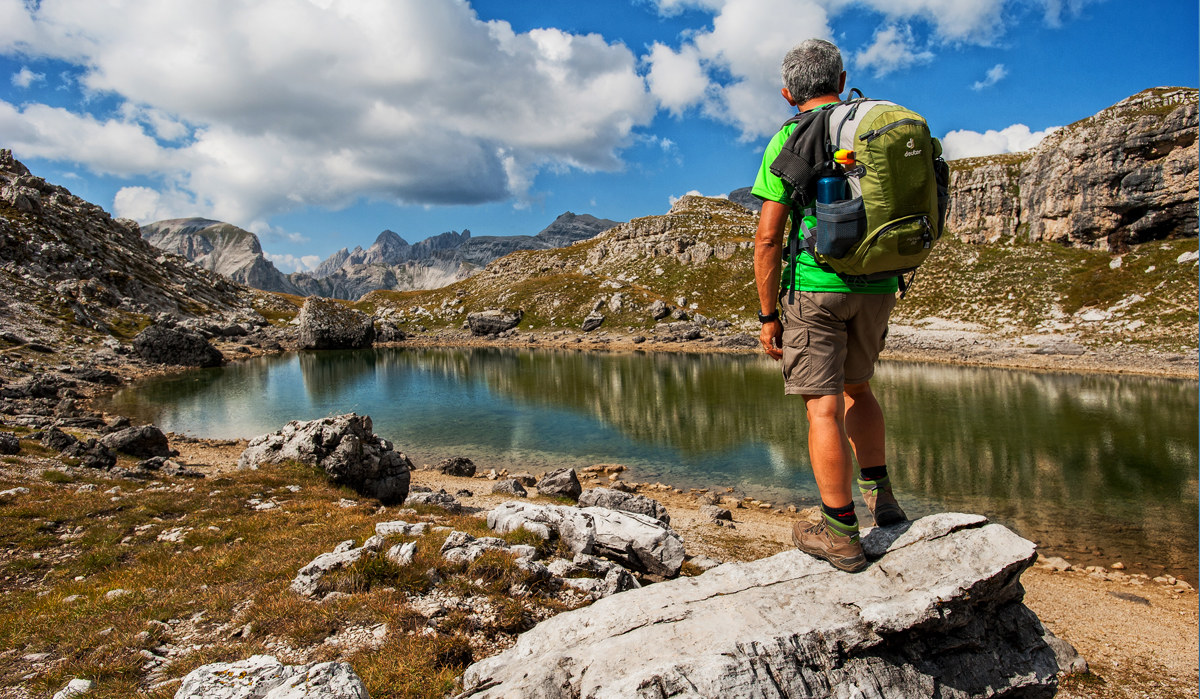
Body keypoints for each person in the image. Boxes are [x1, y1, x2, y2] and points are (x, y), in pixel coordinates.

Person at [751, 38, 906, 573]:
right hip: (879, 285)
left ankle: (839, 531)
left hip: (817, 287)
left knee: (822, 406)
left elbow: (769, 238)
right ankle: (882, 500)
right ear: (842, 82)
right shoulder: (872, 128)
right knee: (858, 390)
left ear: (787, 93)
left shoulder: (788, 139)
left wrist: (769, 315)